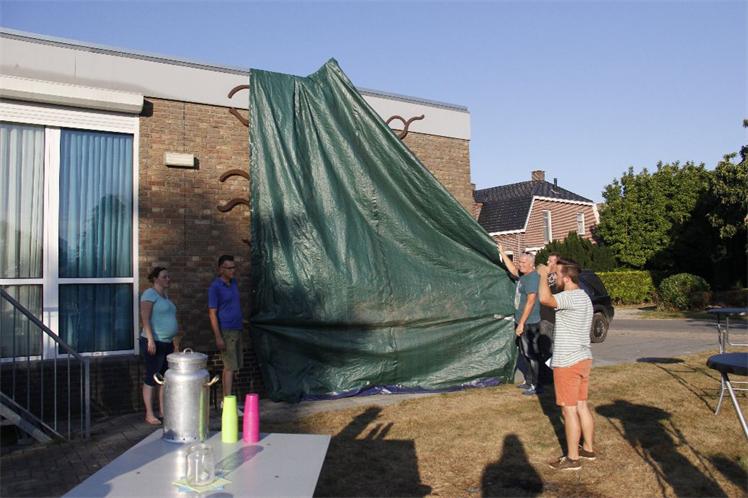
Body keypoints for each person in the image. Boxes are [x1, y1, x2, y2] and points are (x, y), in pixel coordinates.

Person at [537, 259, 595, 471]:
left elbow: (545, 299)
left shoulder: (569, 297)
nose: (555, 278)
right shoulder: (584, 297)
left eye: (558, 275)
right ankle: (588, 449)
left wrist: (542, 275)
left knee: (568, 411)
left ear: (568, 278)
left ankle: (572, 458)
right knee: (581, 405)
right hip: (583, 358)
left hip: (568, 362)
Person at [497, 243, 543, 395]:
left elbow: (531, 301)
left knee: (532, 354)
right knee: (524, 353)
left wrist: (521, 323)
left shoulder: (532, 278)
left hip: (530, 323)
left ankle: (536, 385)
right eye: (520, 262)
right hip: (521, 321)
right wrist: (502, 252)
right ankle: (529, 381)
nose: (520, 265)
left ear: (531, 264)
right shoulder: (523, 276)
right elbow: (512, 269)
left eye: (523, 263)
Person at [140, 266, 182, 425]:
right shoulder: (149, 294)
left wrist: (174, 343)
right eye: (164, 277)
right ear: (155, 279)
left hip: (167, 342)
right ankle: (149, 414)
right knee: (152, 377)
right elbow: (145, 318)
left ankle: (163, 411)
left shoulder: (165, 296)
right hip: (154, 342)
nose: (168, 279)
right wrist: (150, 340)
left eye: (168, 276)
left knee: (163, 378)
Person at [208, 255, 244, 409]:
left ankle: (228, 401)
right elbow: (212, 313)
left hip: (237, 329)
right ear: (220, 269)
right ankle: (227, 404)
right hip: (226, 331)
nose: (232, 271)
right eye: (229, 268)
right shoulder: (215, 287)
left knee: (234, 366)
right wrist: (218, 337)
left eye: (233, 267)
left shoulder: (234, 283)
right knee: (229, 367)